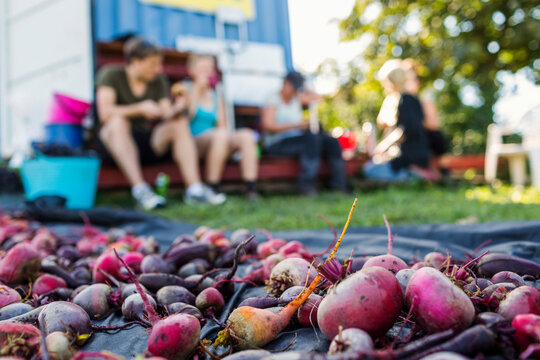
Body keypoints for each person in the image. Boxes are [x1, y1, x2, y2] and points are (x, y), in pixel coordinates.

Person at [96, 37, 225, 209]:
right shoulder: (111, 74)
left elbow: (167, 113)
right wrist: (140, 108)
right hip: (113, 142)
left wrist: (179, 107)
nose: (158, 69)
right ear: (135, 62)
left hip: (145, 141)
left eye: (158, 64)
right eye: (152, 64)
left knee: (178, 123)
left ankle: (195, 190)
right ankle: (140, 190)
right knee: (119, 121)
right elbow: (105, 113)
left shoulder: (158, 81)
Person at [180, 54, 259, 200]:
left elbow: (223, 126)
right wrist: (196, 91)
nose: (208, 72)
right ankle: (213, 186)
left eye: (210, 69)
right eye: (203, 69)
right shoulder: (184, 90)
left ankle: (251, 188)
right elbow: (184, 119)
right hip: (192, 144)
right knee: (219, 135)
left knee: (246, 135)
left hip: (217, 141)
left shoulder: (216, 96)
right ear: (191, 71)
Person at [262, 71, 347, 195]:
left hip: (297, 140)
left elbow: (319, 98)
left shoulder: (296, 99)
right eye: (294, 86)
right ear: (285, 83)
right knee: (311, 140)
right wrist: (295, 125)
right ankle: (306, 186)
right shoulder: (273, 98)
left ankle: (339, 185)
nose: (295, 90)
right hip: (277, 143)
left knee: (331, 141)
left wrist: (304, 87)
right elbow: (268, 125)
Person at [364, 60, 432, 181]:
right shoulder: (412, 99)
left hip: (410, 156)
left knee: (369, 170)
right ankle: (412, 175)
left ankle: (412, 176)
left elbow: (405, 131)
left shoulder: (405, 100)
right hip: (417, 153)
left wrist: (382, 147)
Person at [402, 59, 450, 176]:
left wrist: (419, 121)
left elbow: (434, 124)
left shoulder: (423, 99)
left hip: (422, 135)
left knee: (437, 136)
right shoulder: (400, 99)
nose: (416, 82)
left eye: (416, 79)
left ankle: (442, 169)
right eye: (412, 79)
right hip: (406, 138)